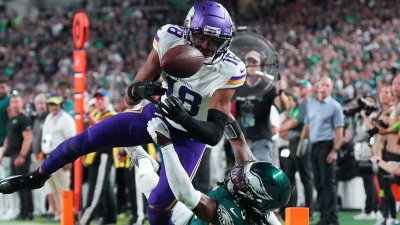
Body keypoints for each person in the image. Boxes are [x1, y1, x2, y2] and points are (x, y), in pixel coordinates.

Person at [0, 2, 245, 225]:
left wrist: (182, 117)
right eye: (201, 37)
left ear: (225, 42)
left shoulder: (229, 69)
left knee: (158, 209)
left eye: (213, 41)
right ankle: (37, 177)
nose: (205, 46)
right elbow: (128, 98)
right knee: (86, 140)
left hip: (190, 138)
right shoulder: (170, 38)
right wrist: (141, 89)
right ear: (188, 29)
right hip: (155, 117)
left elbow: (213, 135)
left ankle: (144, 165)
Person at [129, 116, 291, 225]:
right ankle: (144, 161)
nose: (237, 176)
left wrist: (166, 145)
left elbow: (184, 194)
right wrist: (215, 106)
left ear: (253, 198)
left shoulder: (231, 216)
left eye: (243, 182)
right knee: (151, 182)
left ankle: (143, 159)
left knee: (146, 181)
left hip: (185, 222)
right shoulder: (261, 207)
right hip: (194, 214)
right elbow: (237, 139)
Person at [299, 76, 344, 225]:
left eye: (327, 85)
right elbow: (307, 125)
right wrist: (301, 142)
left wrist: (335, 150)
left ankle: (332, 218)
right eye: (322, 84)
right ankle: (324, 217)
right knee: (317, 182)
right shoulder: (310, 104)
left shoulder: (335, 106)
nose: (324, 87)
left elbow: (339, 130)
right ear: (317, 87)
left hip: (327, 145)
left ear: (331, 88)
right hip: (313, 146)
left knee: (328, 182)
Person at [279, 80, 313, 218]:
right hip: (292, 144)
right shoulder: (298, 105)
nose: (299, 89)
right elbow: (284, 127)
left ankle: (309, 210)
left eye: (302, 86)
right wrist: (286, 129)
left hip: (301, 144)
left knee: (305, 178)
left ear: (308, 89)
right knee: (290, 178)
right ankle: (290, 210)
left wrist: (286, 129)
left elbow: (292, 123)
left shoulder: (306, 104)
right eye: (298, 86)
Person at [41, 96, 76, 221]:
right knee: (53, 187)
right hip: (48, 157)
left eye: (56, 105)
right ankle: (59, 214)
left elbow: (71, 140)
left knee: (63, 187)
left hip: (61, 157)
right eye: (51, 104)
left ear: (61, 105)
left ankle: (67, 215)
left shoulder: (66, 119)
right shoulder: (49, 117)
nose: (53, 107)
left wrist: (69, 159)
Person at [0, 92, 33, 220]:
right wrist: (2, 154)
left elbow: (28, 138)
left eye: (17, 102)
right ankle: (22, 211)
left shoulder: (24, 119)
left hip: (21, 156)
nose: (15, 104)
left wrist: (22, 155)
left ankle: (28, 211)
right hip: (13, 155)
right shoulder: (11, 120)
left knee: (24, 183)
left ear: (22, 103)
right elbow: (8, 139)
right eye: (13, 102)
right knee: (16, 184)